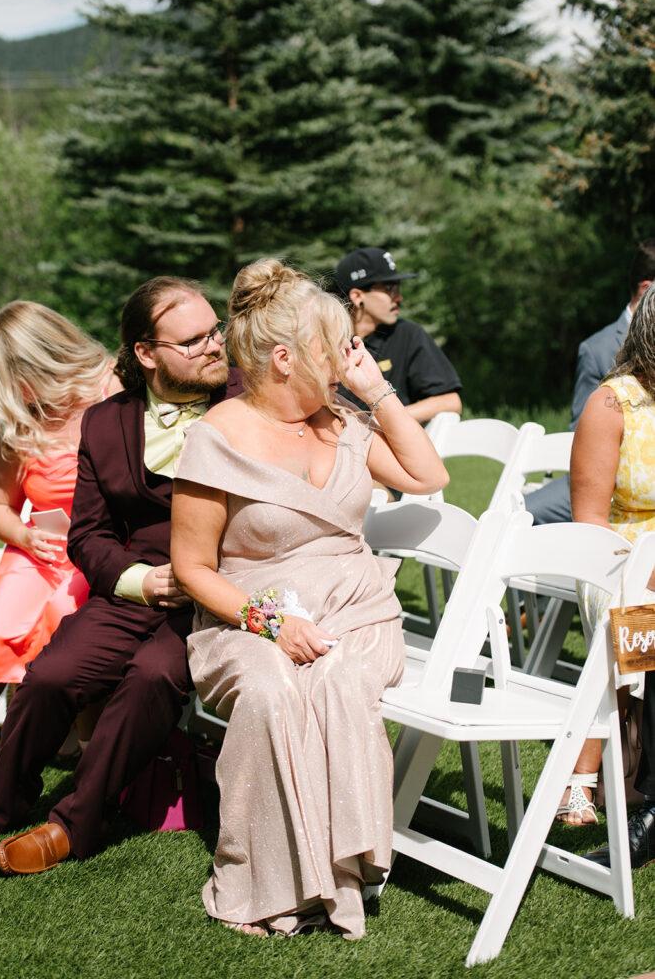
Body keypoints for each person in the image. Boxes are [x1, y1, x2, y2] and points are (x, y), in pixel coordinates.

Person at [171, 258, 448, 938]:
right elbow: (192, 567)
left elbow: (428, 472)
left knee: (340, 679)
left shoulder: (347, 423)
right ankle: (268, 881)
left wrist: (376, 391)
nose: (347, 359)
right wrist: (271, 625)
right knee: (270, 692)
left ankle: (342, 876)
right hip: (249, 616)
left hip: (357, 612)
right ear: (286, 358)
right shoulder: (217, 438)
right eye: (335, 347)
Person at [0, 276, 242, 873]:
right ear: (146, 354)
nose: (213, 346)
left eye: (214, 331)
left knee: (150, 677)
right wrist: (138, 580)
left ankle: (74, 822)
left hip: (220, 595)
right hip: (132, 587)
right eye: (192, 340)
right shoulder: (106, 421)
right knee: (50, 674)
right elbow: (87, 536)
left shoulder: (244, 403)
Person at [0, 302, 119, 735]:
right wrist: (23, 534)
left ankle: (65, 743)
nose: (3, 395)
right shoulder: (20, 423)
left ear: (40, 361)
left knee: (64, 619)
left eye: (7, 380)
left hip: (102, 548)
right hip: (41, 548)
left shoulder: (112, 388)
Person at [556, 281, 655, 831]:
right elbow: (589, 521)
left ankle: (635, 776)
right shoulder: (612, 402)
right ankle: (583, 779)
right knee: (640, 620)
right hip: (615, 558)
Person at [525, 238, 655, 525]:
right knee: (524, 513)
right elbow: (581, 435)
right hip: (601, 467)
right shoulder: (597, 349)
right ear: (648, 290)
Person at [332, 246, 462, 423]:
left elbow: (450, 401)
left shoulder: (407, 334)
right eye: (389, 289)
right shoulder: (326, 340)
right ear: (357, 296)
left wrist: (383, 420)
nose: (399, 298)